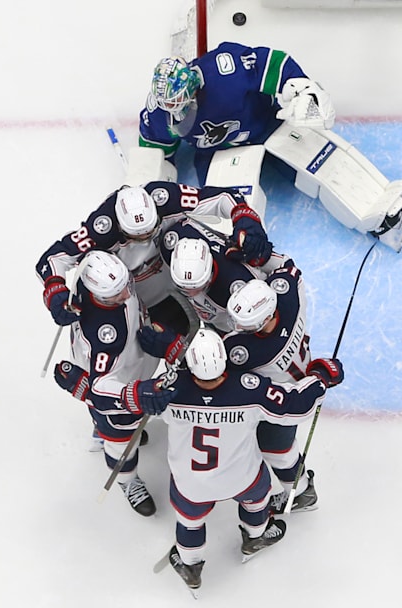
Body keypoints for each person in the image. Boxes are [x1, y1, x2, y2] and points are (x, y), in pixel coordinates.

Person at [127, 41, 402, 252]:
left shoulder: (225, 69)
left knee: (321, 163)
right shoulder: (159, 111)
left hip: (268, 125)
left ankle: (385, 215)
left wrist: (302, 88)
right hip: (219, 153)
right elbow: (155, 153)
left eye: (179, 103)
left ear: (193, 87)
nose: (175, 111)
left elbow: (273, 63)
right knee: (231, 223)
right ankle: (237, 273)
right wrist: (145, 196)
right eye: (169, 105)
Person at [121, 329, 344, 592]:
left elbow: (128, 405)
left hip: (192, 484)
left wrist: (137, 394)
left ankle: (190, 565)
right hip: (243, 477)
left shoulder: (169, 389)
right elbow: (296, 405)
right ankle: (256, 537)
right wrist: (320, 378)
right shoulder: (250, 388)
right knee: (256, 502)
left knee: (190, 522)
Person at [36, 181, 271, 335]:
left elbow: (224, 197)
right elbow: (52, 259)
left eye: (152, 229)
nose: (148, 238)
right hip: (144, 294)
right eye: (139, 237)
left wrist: (245, 220)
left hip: (190, 267)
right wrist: (56, 294)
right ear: (120, 228)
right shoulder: (100, 229)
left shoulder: (164, 197)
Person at [49, 251, 161, 516]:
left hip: (132, 364)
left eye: (125, 286)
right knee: (119, 440)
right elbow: (100, 389)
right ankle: (127, 481)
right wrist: (137, 394)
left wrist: (53, 291)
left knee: (123, 428)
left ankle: (110, 431)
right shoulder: (105, 336)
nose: (126, 294)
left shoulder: (91, 270)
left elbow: (57, 257)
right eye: (116, 295)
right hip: (118, 389)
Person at [223, 266, 318, 514]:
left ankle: (302, 493)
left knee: (276, 449)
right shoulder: (289, 297)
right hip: (302, 377)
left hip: (285, 401)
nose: (237, 327)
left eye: (245, 324)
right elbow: (290, 271)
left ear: (264, 320)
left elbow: (216, 372)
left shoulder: (247, 351)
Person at [161, 223, 269, 333]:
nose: (192, 293)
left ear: (209, 273)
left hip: (227, 325)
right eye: (184, 288)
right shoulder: (171, 241)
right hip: (208, 317)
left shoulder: (238, 281)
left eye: (197, 287)